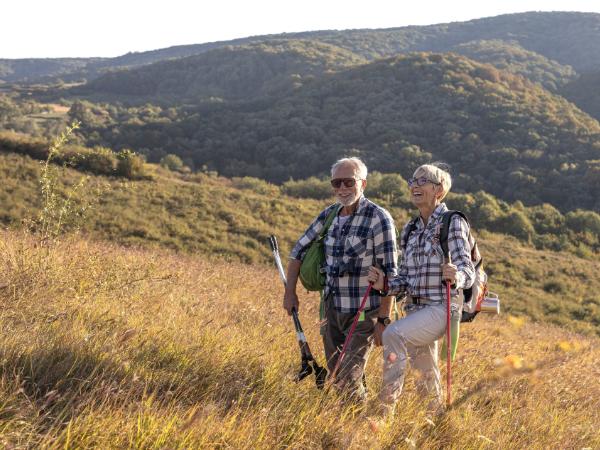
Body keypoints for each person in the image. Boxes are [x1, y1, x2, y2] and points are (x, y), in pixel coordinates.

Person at [284, 157, 398, 403]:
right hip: (331, 310)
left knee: (347, 375)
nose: (342, 189)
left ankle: (356, 431)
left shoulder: (379, 218)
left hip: (364, 313)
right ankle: (355, 418)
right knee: (338, 375)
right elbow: (298, 252)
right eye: (337, 183)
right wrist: (289, 293)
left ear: (363, 184)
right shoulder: (329, 215)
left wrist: (384, 319)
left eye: (349, 182)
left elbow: (391, 273)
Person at [368, 163, 475, 416]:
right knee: (426, 378)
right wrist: (384, 283)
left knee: (394, 334)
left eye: (422, 181)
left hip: (441, 308)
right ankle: (437, 426)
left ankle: (384, 410)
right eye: (412, 181)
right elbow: (404, 279)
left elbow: (467, 271)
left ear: (439, 190)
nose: (414, 186)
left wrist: (456, 275)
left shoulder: (453, 222)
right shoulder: (411, 229)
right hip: (415, 310)